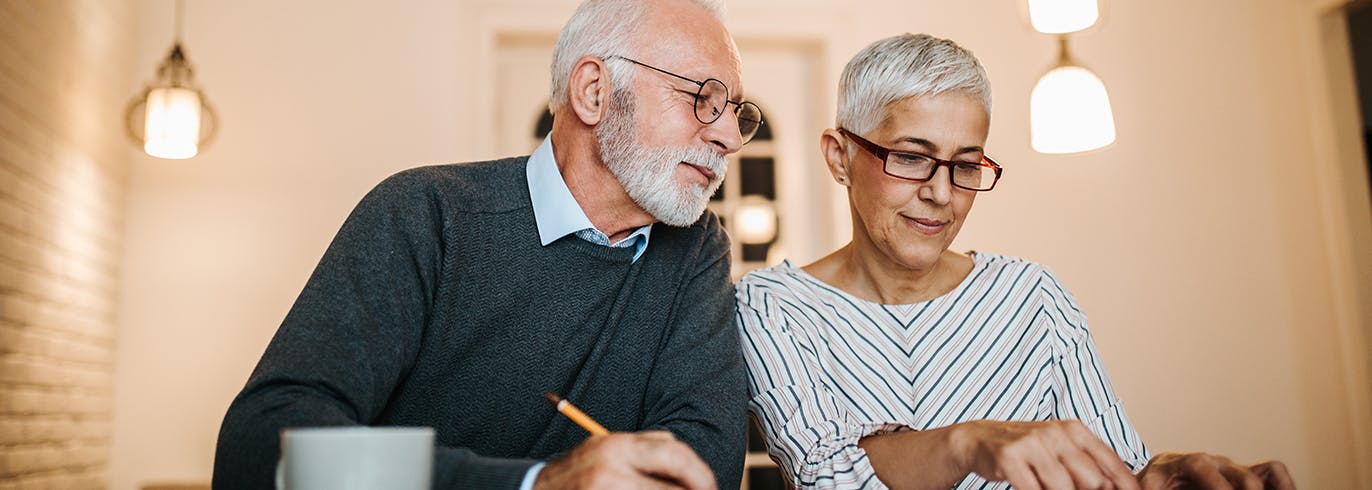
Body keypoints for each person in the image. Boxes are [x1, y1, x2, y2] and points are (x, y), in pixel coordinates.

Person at [213, 0, 765, 488]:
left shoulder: (696, 249)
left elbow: (700, 467)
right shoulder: (426, 213)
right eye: (701, 97)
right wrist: (536, 484)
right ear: (594, 92)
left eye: (736, 111)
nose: (729, 137)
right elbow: (260, 448)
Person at [735, 33, 1296, 490]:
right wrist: (968, 442)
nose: (941, 192)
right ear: (840, 156)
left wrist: (1165, 474)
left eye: (966, 165)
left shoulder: (1033, 296)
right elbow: (827, 478)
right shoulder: (773, 307)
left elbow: (1114, 470)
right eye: (911, 157)